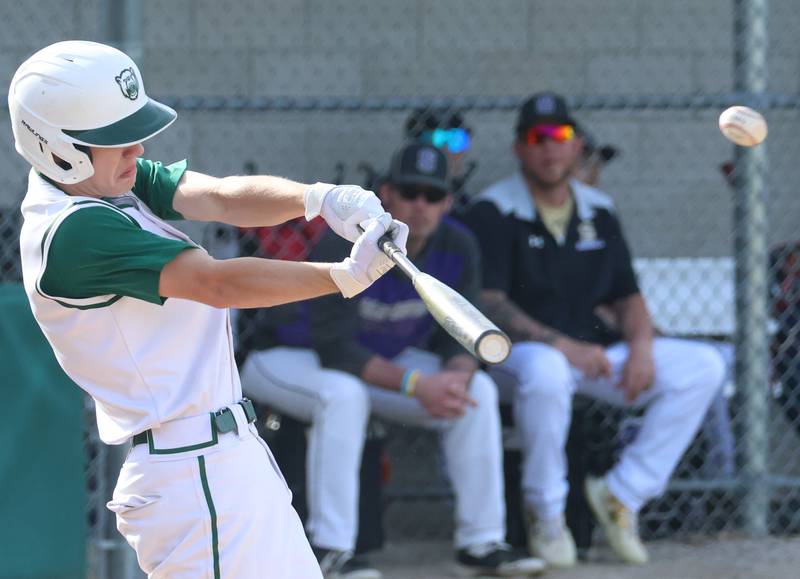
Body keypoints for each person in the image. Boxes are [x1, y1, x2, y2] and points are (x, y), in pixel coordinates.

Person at [11, 40, 408, 579]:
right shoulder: (76, 229)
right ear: (57, 148)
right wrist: (341, 277)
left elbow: (220, 196)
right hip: (191, 473)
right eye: (116, 140)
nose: (137, 149)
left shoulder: (103, 182)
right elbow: (215, 282)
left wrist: (321, 199)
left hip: (221, 457)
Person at [240, 142, 545, 577]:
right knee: (344, 395)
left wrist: (455, 378)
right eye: (409, 192)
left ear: (448, 203)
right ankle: (330, 550)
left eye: (433, 195)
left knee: (475, 390)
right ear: (387, 195)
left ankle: (482, 543)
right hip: (287, 357)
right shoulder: (347, 240)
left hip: (378, 364)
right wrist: (417, 385)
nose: (420, 205)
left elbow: (461, 335)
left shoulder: (458, 246)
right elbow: (336, 349)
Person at [462, 92, 726, 567]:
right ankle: (547, 512)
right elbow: (489, 302)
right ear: (520, 148)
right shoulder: (492, 209)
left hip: (592, 356)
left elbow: (627, 294)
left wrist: (642, 346)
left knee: (703, 365)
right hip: (516, 358)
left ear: (577, 144)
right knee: (545, 370)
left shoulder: (598, 209)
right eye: (536, 138)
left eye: (560, 136)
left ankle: (623, 493)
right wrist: (561, 345)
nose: (549, 148)